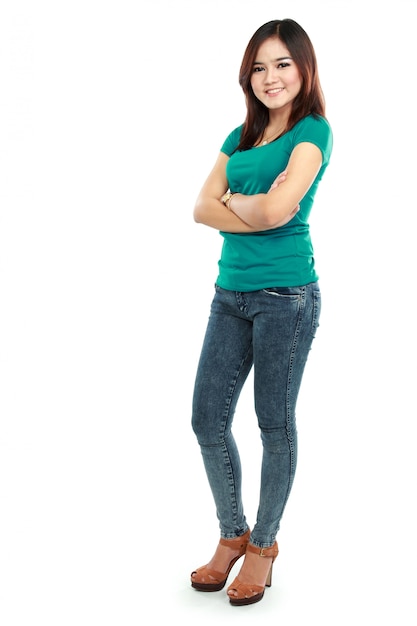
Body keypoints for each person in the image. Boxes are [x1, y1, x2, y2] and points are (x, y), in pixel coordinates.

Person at [190, 19, 333, 606]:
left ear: (302, 70)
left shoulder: (312, 132)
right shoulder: (240, 135)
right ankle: (233, 533)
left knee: (274, 425)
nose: (269, 77)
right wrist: (252, 204)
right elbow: (200, 208)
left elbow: (280, 212)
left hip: (286, 298)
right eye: (259, 66)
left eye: (282, 64)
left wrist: (240, 202)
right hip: (230, 295)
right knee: (206, 420)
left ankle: (263, 546)